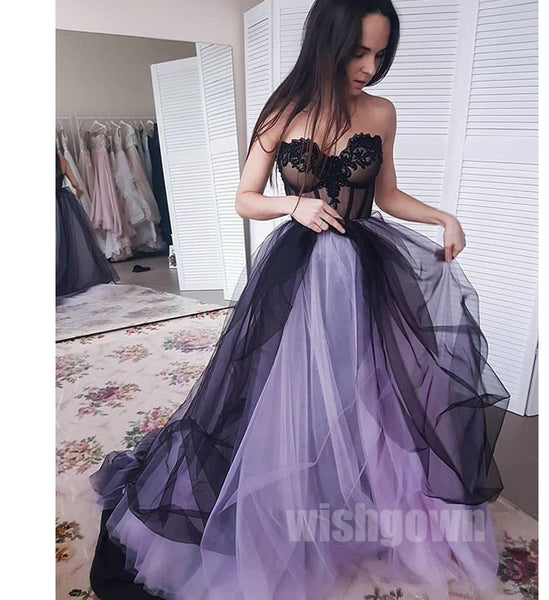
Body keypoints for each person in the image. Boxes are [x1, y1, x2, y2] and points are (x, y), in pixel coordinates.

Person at [88, 1, 510, 598]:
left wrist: (443, 216)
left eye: (380, 53)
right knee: (286, 386)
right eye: (358, 52)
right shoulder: (284, 110)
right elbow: (245, 197)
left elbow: (387, 195)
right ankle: (285, 493)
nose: (369, 67)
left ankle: (354, 493)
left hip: (362, 268)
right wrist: (294, 205)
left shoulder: (381, 112)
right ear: (327, 44)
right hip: (298, 267)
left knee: (365, 386)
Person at [56, 150, 119, 301]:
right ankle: (71, 277)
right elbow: (75, 183)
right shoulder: (60, 159)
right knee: (70, 243)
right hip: (63, 203)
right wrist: (78, 191)